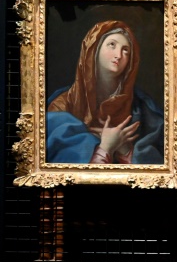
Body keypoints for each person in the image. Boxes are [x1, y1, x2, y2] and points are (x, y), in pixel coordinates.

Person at [46, 20, 164, 164]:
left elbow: (156, 170)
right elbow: (60, 170)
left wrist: (125, 150)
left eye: (125, 50)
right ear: (94, 49)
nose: (119, 55)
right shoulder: (61, 108)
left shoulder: (144, 111)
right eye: (112, 45)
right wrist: (106, 148)